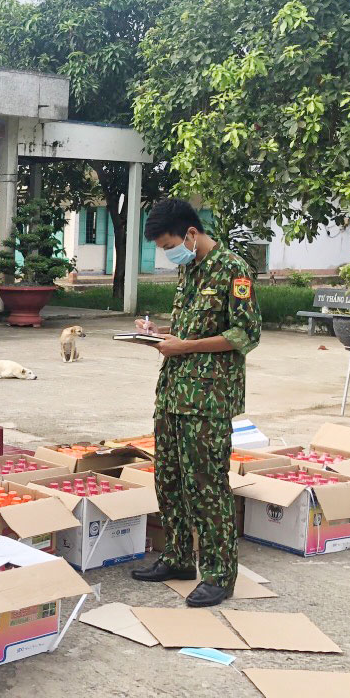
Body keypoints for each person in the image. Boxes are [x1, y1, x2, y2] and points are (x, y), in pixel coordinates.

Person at [130, 199, 261, 607]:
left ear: (190, 233)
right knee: (169, 479)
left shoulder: (234, 270)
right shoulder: (190, 270)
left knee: (207, 486)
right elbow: (193, 327)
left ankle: (220, 575)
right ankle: (179, 558)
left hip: (208, 400)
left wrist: (183, 346)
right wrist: (159, 332)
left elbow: (244, 334)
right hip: (173, 395)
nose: (169, 254)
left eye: (170, 245)